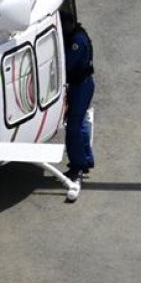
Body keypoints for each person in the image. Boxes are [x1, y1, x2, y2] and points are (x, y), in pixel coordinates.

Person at [61, 11, 95, 182]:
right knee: (80, 123)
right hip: (82, 84)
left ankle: (78, 164)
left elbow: (65, 64)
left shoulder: (76, 42)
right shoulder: (78, 35)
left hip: (81, 86)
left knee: (74, 126)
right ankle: (86, 159)